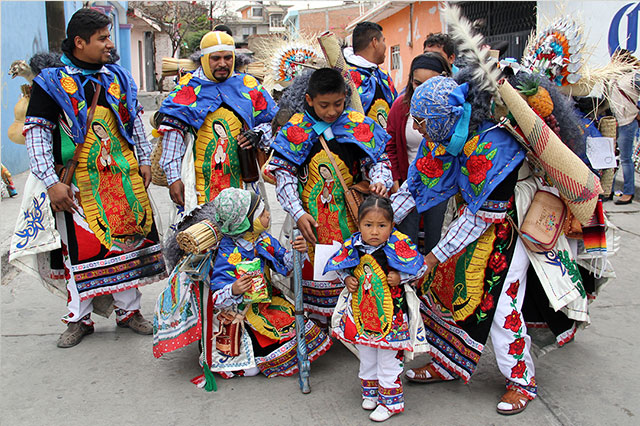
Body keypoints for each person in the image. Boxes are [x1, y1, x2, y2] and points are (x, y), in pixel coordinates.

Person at [391, 75, 540, 415]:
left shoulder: (493, 145)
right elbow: (415, 188)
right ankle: (448, 362)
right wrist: (375, 223)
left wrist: (432, 256)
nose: (417, 128)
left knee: (502, 305)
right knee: (442, 289)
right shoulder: (444, 133)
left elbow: (481, 218)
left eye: (422, 121)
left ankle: (521, 380)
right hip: (471, 217)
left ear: (443, 117)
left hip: (508, 224)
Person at [19, 8, 165, 347]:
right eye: (102, 38)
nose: (109, 44)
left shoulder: (119, 77)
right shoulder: (51, 83)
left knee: (128, 244)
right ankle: (79, 319)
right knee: (80, 252)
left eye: (108, 36)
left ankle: (129, 312)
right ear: (79, 42)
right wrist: (51, 182)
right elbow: (37, 133)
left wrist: (143, 160)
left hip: (123, 181)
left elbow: (133, 122)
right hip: (76, 184)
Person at [153, 188, 332, 384]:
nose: (268, 216)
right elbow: (217, 295)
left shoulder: (263, 240)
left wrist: (298, 251)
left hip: (266, 300)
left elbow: (286, 267)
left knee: (295, 328)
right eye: (263, 214)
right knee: (255, 361)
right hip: (240, 310)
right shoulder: (227, 253)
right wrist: (235, 289)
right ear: (246, 222)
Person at [265, 68, 392, 325]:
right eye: (324, 105)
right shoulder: (295, 131)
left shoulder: (357, 124)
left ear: (346, 97)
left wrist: (379, 181)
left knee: (356, 270)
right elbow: (284, 178)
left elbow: (379, 160)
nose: (332, 111)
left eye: (338, 104)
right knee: (316, 271)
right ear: (310, 100)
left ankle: (353, 322)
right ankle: (319, 325)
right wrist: (298, 213)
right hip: (312, 218)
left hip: (353, 215)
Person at [325, 196, 428, 422]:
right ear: (359, 225)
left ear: (391, 226)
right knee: (367, 353)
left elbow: (420, 268)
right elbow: (341, 266)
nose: (374, 231)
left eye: (381, 226)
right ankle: (370, 391)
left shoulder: (398, 245)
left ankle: (390, 401)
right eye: (368, 225)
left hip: (391, 315)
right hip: (362, 311)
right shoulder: (354, 245)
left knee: (388, 358)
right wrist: (347, 279)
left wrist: (401, 276)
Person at [158, 30, 277, 212]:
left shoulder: (248, 85)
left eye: (228, 58)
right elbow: (172, 139)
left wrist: (258, 134)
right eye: (216, 58)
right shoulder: (187, 89)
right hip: (198, 183)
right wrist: (174, 178)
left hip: (242, 181)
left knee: (245, 233)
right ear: (204, 59)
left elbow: (274, 125)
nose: (223, 64)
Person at [386, 52, 452, 253]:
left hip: (441, 185)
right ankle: (407, 279)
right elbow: (390, 145)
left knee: (437, 238)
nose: (422, 90)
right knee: (406, 239)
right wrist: (396, 180)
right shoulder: (400, 107)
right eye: (417, 83)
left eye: (429, 83)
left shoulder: (451, 113)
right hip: (409, 182)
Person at [344, 22, 397, 129]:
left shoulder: (382, 75)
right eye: (383, 41)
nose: (385, 46)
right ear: (375, 42)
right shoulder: (347, 77)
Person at [608, 49, 640, 205]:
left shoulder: (634, 77)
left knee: (626, 159)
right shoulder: (613, 78)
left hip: (628, 122)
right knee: (612, 159)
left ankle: (628, 193)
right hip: (615, 123)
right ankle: (610, 190)